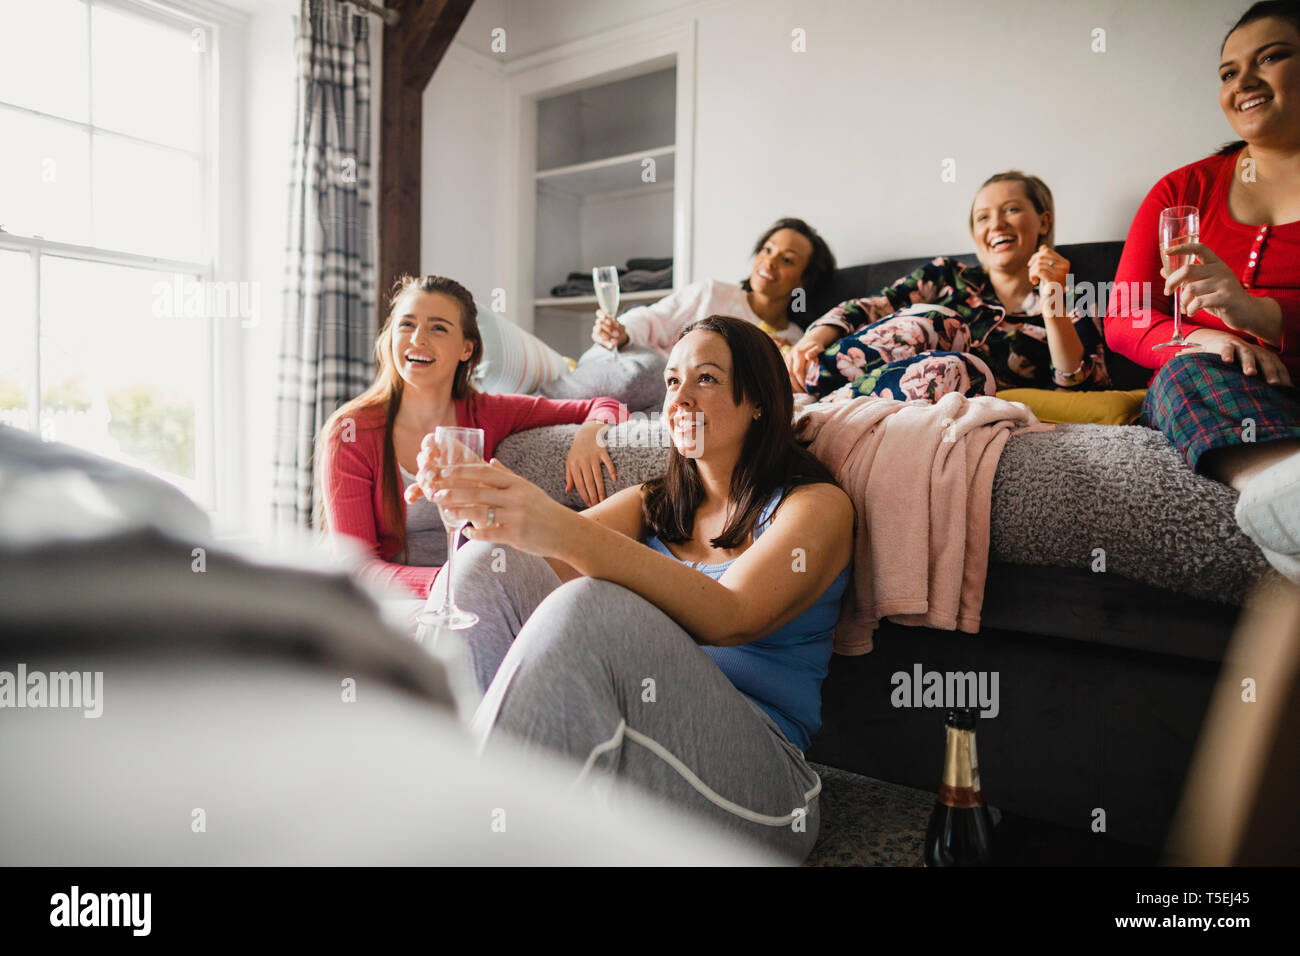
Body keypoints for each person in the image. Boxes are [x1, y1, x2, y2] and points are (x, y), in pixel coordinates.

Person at [409, 315, 854, 861]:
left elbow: (732, 614)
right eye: (671, 381)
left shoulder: (815, 507)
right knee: (487, 564)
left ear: (758, 400)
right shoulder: (655, 501)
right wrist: (489, 504)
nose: (680, 398)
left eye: (706, 379)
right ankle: (445, 803)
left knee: (591, 604)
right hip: (631, 755)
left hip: (763, 788)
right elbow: (539, 564)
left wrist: (557, 523)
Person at [1107, 0, 1300, 582]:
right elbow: (1125, 315)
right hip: (1220, 383)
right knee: (1182, 377)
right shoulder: (1182, 188)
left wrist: (1259, 312)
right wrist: (1201, 338)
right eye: (1228, 72)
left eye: (1271, 57)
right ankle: (1282, 485)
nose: (1244, 82)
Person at [317, 275, 626, 599]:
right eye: (406, 325)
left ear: (467, 348)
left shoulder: (489, 411)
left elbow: (608, 405)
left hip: (481, 594)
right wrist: (452, 585)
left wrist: (591, 432)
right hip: (396, 604)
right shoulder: (351, 433)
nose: (417, 339)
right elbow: (355, 568)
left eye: (438, 328)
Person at [787, 172, 1111, 402]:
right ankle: (798, 383)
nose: (996, 224)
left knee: (955, 370)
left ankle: (830, 404)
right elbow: (874, 308)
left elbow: (1080, 388)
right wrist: (815, 337)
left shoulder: (1074, 299)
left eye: (1011, 210)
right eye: (983, 217)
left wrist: (1052, 298)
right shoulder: (945, 275)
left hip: (942, 394)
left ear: (1044, 221)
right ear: (974, 234)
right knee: (936, 324)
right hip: (871, 371)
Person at [591, 217, 837, 357]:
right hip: (653, 373)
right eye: (767, 249)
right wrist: (622, 332)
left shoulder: (795, 341)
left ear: (804, 280)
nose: (769, 262)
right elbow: (653, 319)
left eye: (787, 260)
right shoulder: (712, 293)